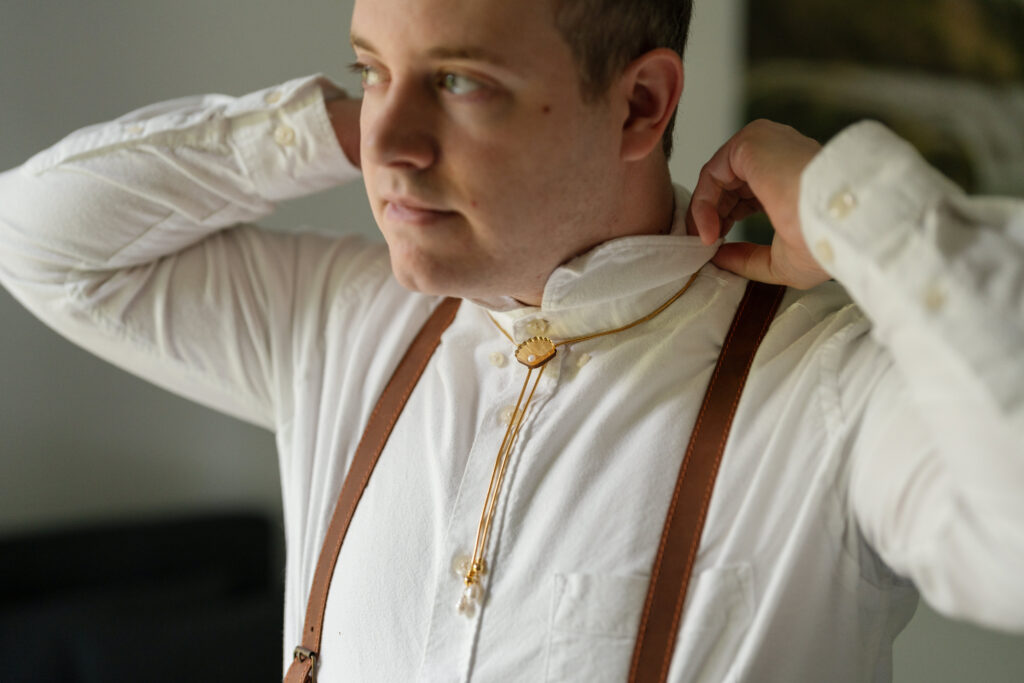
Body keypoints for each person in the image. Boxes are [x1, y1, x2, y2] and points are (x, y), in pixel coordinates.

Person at [0, 0, 1021, 680]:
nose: (388, 148)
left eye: (459, 83)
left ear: (640, 105)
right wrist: (328, 124)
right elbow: (39, 239)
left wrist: (856, 203)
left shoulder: (829, 385)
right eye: (371, 70)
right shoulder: (342, 322)